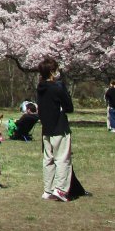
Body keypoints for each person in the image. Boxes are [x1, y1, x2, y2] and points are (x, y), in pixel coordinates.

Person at [37, 58, 74, 203]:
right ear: (52, 71)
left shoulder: (40, 88)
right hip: (59, 127)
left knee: (48, 159)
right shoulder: (57, 88)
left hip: (46, 128)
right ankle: (60, 189)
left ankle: (48, 189)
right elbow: (69, 107)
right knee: (62, 159)